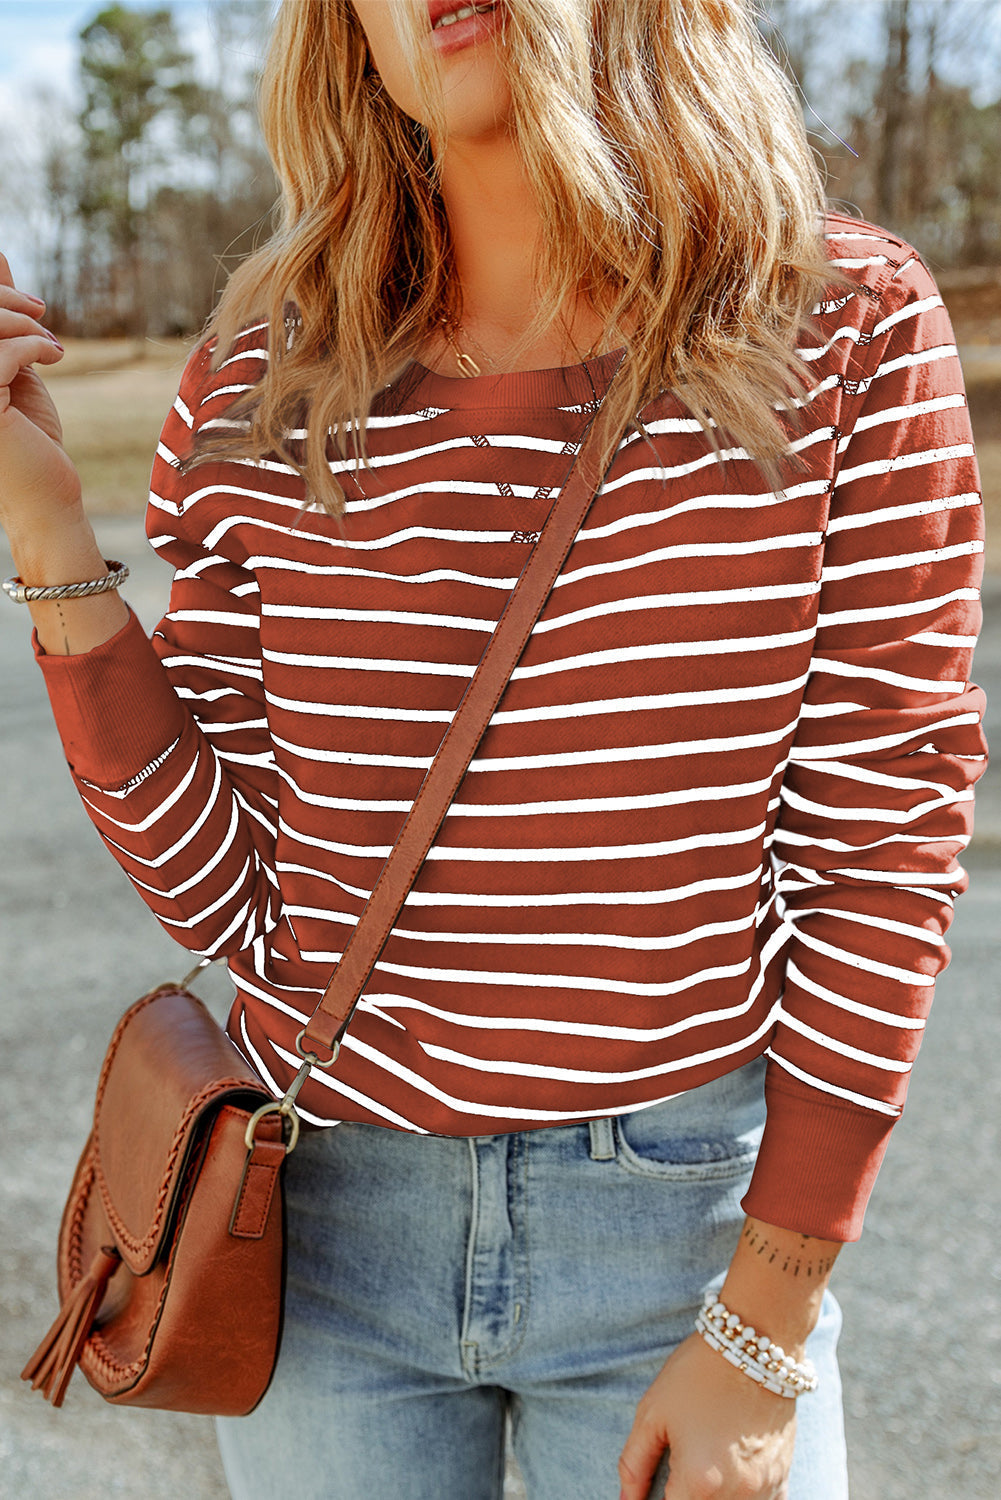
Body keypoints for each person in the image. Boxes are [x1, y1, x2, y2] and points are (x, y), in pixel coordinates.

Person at [0, 1, 987, 1496]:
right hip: (319, 1236)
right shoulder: (260, 386)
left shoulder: (838, 325)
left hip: (680, 1243)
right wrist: (49, 532)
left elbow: (882, 846)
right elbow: (232, 904)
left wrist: (767, 1322)